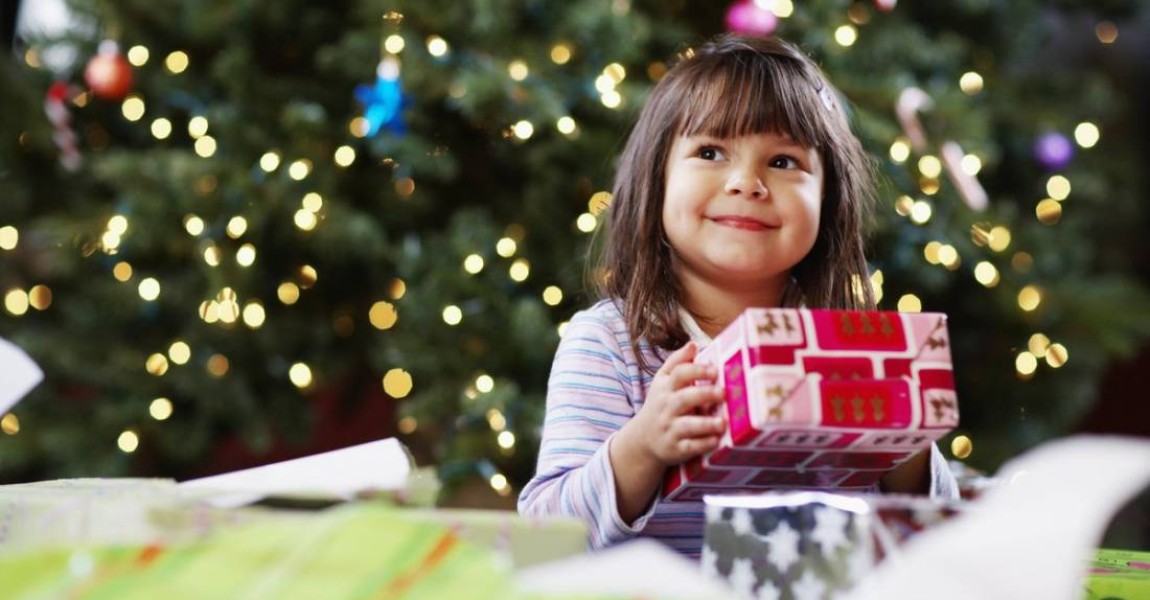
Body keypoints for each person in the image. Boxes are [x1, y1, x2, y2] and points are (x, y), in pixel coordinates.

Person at [517, 34, 958, 558]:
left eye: (784, 161)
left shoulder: (848, 350)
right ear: (656, 182)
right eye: (710, 152)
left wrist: (905, 446)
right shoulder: (610, 343)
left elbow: (938, 541)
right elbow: (545, 535)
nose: (747, 182)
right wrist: (642, 446)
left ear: (828, 200)